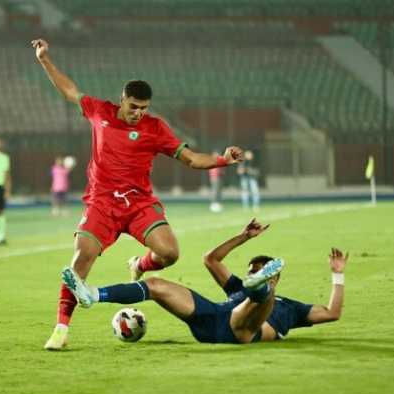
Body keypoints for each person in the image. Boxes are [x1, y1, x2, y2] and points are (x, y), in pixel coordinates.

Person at [32, 38, 244, 350]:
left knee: (170, 254)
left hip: (138, 204)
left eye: (144, 109)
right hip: (101, 203)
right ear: (123, 100)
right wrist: (44, 59)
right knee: (81, 259)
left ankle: (141, 265)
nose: (138, 114)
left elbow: (191, 159)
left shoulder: (156, 128)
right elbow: (69, 90)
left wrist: (224, 158)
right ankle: (61, 329)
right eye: (134, 107)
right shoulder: (99, 111)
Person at [63, 219, 348, 344]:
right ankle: (92, 295)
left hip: (242, 332)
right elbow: (210, 259)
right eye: (251, 271)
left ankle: (261, 291)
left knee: (257, 303)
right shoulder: (236, 287)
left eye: (258, 271)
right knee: (157, 285)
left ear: (276, 275)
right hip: (212, 320)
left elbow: (332, 313)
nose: (249, 273)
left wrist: (338, 273)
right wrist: (243, 237)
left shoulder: (294, 309)